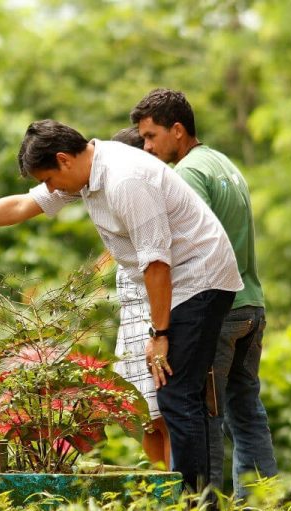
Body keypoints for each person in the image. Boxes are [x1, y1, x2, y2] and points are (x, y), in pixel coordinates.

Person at [0, 119, 243, 494]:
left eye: (48, 179)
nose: (48, 189)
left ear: (64, 160)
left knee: (177, 395)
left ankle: (196, 506)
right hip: (174, 282)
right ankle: (191, 502)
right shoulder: (87, 172)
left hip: (199, 279)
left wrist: (159, 334)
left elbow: (157, 262)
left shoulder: (124, 180)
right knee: (171, 396)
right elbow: (20, 206)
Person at [131, 88, 278, 500]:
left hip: (219, 309)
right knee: (246, 412)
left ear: (177, 130)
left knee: (203, 412)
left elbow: (185, 250)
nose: (147, 147)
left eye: (151, 136)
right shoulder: (222, 163)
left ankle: (204, 509)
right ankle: (261, 508)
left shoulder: (188, 174)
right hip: (252, 304)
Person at [110, 126, 170, 469]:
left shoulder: (151, 194)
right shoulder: (120, 196)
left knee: (165, 417)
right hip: (130, 321)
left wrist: (157, 333)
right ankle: (160, 494)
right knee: (145, 419)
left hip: (153, 321)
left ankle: (178, 498)